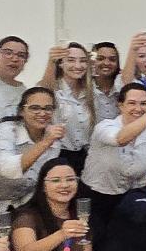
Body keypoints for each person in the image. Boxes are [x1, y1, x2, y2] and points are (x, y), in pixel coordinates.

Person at [80, 83, 146, 246]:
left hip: (127, 199)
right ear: (120, 105)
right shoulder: (105, 126)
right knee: (93, 244)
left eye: (144, 104)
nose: (138, 108)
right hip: (96, 197)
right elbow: (121, 139)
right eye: (132, 103)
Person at [0, 86, 65, 228]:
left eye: (48, 108)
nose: (42, 113)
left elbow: (41, 178)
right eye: (35, 108)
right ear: (21, 111)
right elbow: (9, 170)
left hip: (24, 206)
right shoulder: (6, 130)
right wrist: (45, 142)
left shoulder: (53, 137)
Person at [43, 42, 109, 173]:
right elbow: (44, 89)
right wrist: (51, 61)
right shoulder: (54, 90)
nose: (78, 66)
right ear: (60, 64)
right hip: (56, 156)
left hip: (85, 157)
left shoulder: (92, 93)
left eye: (83, 61)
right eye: (71, 60)